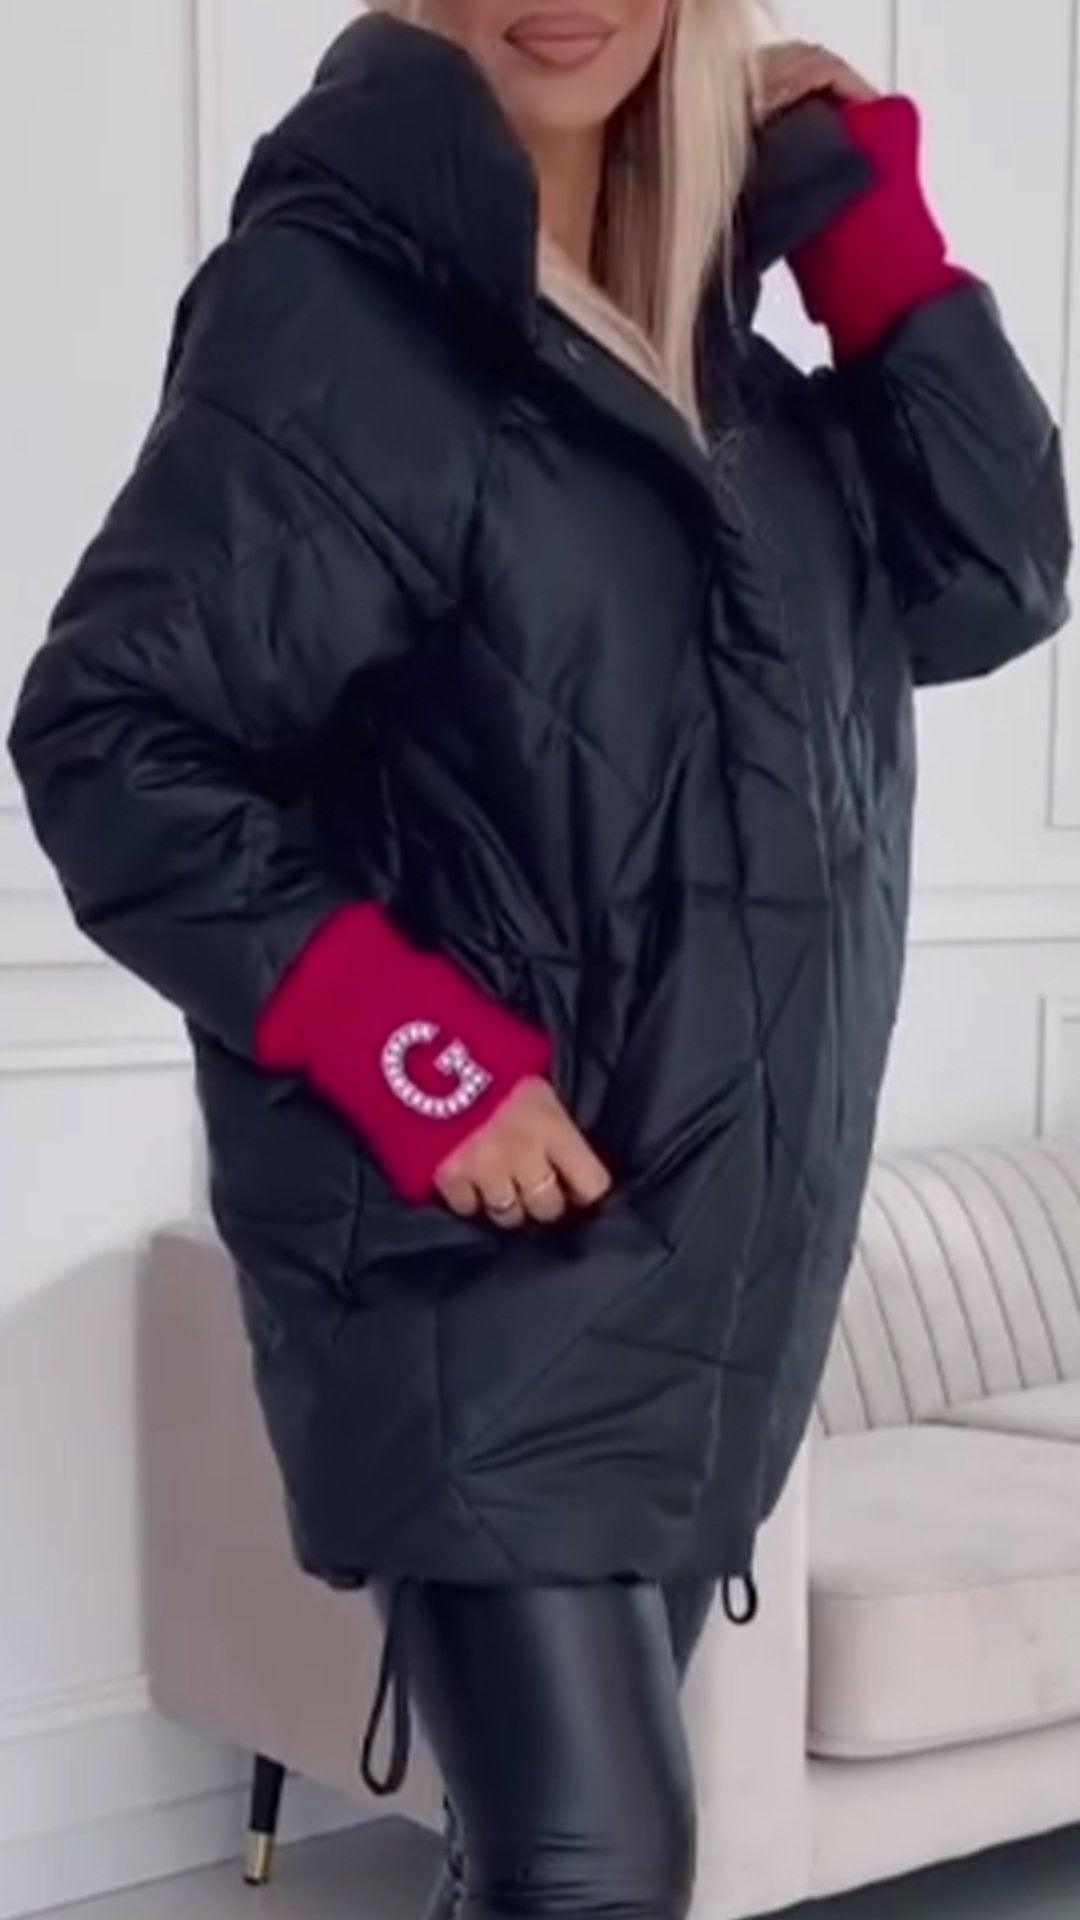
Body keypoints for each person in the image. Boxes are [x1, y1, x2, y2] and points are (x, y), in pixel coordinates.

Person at [8, 0, 1070, 1913]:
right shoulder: (337, 312)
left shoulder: (740, 396)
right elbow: (114, 739)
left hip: (708, 1283)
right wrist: (414, 1055)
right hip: (469, 1277)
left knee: (547, 1869)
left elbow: (999, 569)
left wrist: (855, 216)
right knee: (597, 1875)